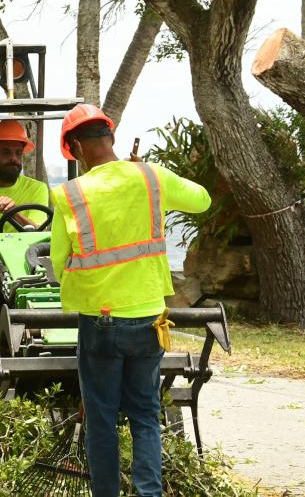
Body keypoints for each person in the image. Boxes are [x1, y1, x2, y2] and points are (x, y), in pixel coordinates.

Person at [49, 104, 211, 497]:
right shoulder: (151, 177)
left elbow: (57, 265)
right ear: (113, 138)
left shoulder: (72, 194)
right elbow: (202, 200)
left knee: (102, 419)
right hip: (149, 320)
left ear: (75, 148)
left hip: (100, 321)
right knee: (144, 415)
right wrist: (149, 172)